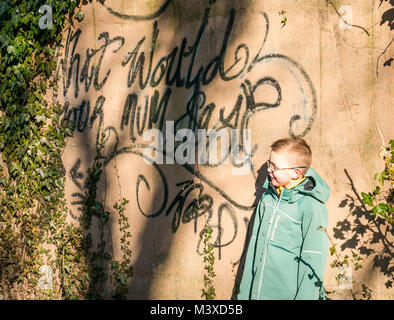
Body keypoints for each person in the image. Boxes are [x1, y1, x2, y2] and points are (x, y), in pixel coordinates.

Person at [237, 137, 330, 300]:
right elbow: (253, 250)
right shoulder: (267, 199)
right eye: (269, 164)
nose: (269, 170)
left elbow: (313, 260)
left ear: (296, 173)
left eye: (276, 167)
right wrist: (244, 295)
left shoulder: (311, 207)